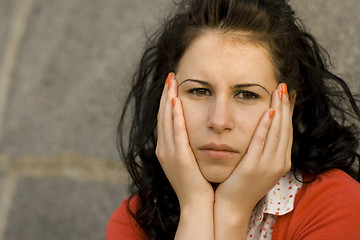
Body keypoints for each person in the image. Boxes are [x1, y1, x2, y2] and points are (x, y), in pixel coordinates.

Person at [107, 0, 360, 239]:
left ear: (288, 104)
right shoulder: (135, 220)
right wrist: (195, 206)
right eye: (199, 91)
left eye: (247, 95)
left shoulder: (337, 207)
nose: (219, 121)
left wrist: (231, 213)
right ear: (167, 96)